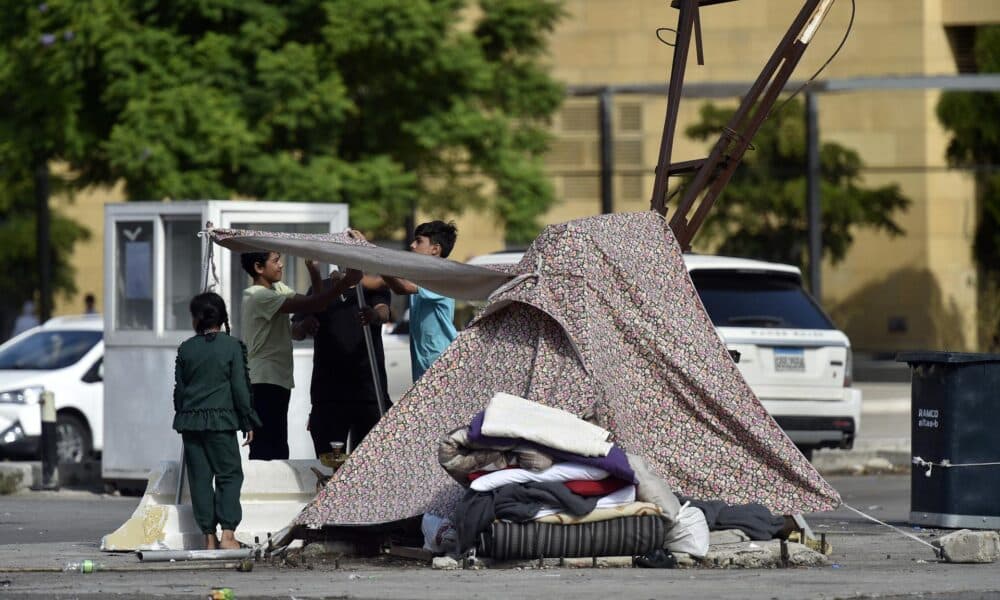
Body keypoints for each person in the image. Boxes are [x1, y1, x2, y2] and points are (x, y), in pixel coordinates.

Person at [239, 251, 361, 460]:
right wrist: (345, 283)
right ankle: (264, 491)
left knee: (277, 445)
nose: (281, 265)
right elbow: (314, 304)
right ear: (259, 268)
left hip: (277, 380)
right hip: (263, 381)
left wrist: (314, 272)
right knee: (267, 448)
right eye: (275, 261)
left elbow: (318, 303)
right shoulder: (258, 296)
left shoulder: (277, 289)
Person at [172, 292, 260, 550]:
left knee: (199, 478)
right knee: (229, 475)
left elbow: (179, 390)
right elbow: (240, 388)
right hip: (221, 422)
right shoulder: (231, 346)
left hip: (190, 423)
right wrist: (247, 420)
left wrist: (185, 413)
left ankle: (208, 538)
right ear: (222, 318)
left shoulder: (186, 348)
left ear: (196, 319)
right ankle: (228, 536)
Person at [291, 268, 392, 454]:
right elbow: (295, 331)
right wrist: (304, 325)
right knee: (329, 464)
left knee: (366, 464)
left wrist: (373, 316)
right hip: (329, 395)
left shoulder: (373, 287)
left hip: (368, 394)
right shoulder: (321, 288)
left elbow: (383, 312)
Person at [377, 221, 459, 381]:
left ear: (435, 249)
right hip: (424, 365)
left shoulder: (442, 276)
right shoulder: (422, 276)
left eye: (419, 241)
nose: (412, 245)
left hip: (441, 365)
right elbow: (391, 283)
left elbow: (401, 288)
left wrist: (378, 262)